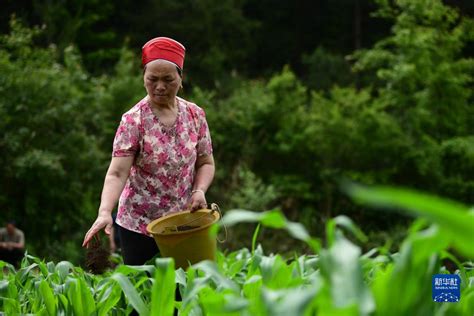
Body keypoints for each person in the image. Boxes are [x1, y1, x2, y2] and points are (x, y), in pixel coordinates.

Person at [82, 37, 215, 266]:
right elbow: (117, 173)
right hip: (137, 225)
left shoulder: (195, 115)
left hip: (181, 223)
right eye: (152, 79)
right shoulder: (134, 120)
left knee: (181, 293)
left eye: (168, 79)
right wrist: (105, 212)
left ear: (180, 80)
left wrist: (199, 190)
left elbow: (205, 162)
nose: (160, 86)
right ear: (144, 78)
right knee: (142, 293)